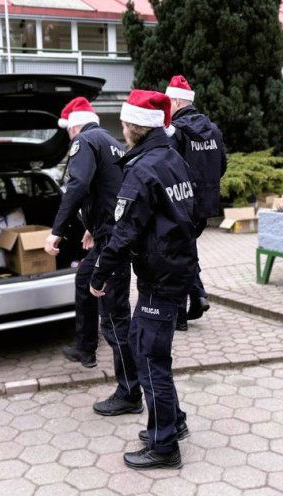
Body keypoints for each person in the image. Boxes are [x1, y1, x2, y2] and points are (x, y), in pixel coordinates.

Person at [90, 89, 197, 470]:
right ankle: (172, 422)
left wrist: (100, 272)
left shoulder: (144, 169)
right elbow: (193, 215)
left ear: (137, 125)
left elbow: (124, 231)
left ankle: (164, 445)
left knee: (151, 358)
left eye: (123, 122)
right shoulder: (172, 159)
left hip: (160, 277)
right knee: (142, 344)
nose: (120, 128)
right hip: (172, 271)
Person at [43, 98, 142, 416]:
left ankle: (129, 392)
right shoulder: (112, 141)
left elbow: (78, 185)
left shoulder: (84, 140)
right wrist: (91, 228)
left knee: (115, 318)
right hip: (108, 234)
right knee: (85, 278)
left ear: (72, 125)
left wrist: (57, 230)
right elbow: (109, 189)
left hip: (112, 241)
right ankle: (85, 348)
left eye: (68, 131)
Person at [165, 75, 227, 331]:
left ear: (178, 101)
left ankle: (180, 316)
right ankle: (198, 296)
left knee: (177, 255)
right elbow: (222, 166)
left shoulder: (175, 131)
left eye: (168, 101)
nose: (166, 107)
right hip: (206, 205)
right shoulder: (213, 129)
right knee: (186, 250)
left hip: (182, 204)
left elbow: (168, 168)